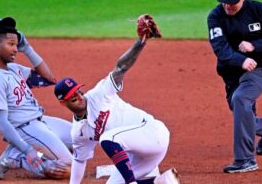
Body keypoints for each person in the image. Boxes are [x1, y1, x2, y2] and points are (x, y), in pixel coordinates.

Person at [54, 15, 179, 184]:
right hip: (141, 156)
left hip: (153, 134)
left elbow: (120, 68)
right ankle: (162, 182)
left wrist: (141, 42)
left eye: (78, 91)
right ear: (64, 103)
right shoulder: (78, 132)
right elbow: (79, 160)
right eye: (72, 97)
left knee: (107, 139)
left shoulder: (99, 94)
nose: (78, 96)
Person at [207, 0, 262, 173]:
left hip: (261, 70)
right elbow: (220, 48)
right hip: (232, 75)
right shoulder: (215, 17)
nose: (227, 6)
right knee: (242, 112)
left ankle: (245, 160)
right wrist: (241, 60)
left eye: (232, 2)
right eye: (224, 1)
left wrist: (254, 46)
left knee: (241, 99)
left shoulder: (259, 10)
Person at [0, 17, 73, 180]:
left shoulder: (14, 69)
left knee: (80, 139)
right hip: (24, 129)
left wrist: (27, 49)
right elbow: (2, 124)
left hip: (41, 122)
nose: (16, 49)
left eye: (17, 44)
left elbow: (49, 78)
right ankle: (16, 158)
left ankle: (17, 151)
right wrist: (29, 152)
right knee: (69, 168)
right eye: (11, 44)